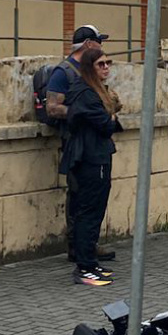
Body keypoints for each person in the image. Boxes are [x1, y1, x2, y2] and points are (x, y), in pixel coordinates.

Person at [46, 24, 116, 263]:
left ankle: (88, 246)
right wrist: (85, 112)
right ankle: (77, 249)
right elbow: (53, 107)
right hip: (77, 143)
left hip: (96, 142)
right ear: (88, 45)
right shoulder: (63, 72)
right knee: (79, 198)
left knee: (94, 199)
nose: (102, 52)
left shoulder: (91, 72)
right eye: (99, 42)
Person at [59, 48, 123, 286]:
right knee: (87, 211)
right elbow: (105, 125)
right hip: (89, 158)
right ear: (89, 68)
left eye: (108, 63)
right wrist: (111, 117)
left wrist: (110, 118)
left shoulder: (95, 91)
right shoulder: (85, 92)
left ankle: (90, 261)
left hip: (99, 154)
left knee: (96, 210)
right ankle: (84, 266)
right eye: (100, 64)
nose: (106, 68)